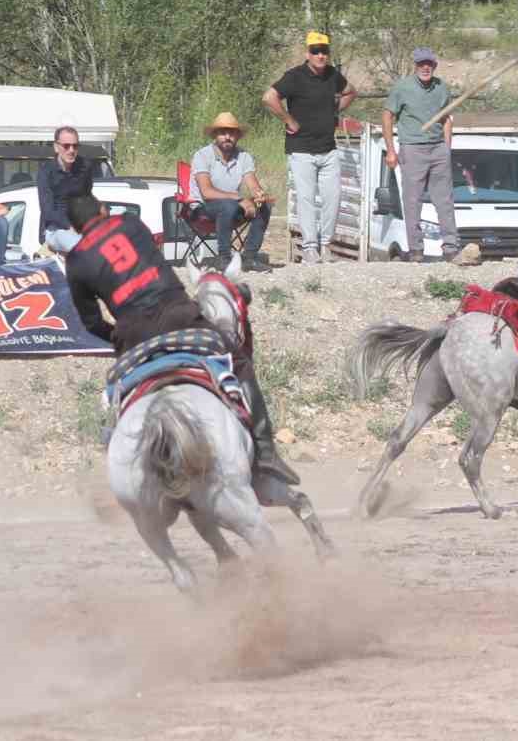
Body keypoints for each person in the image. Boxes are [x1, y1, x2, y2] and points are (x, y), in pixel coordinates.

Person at [65, 191, 298, 485]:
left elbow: (91, 322)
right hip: (178, 314)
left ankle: (113, 455)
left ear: (74, 228)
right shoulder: (131, 223)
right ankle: (266, 452)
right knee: (236, 359)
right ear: (102, 209)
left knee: (116, 395)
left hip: (133, 334)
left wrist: (117, 337)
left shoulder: (76, 261)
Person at [262, 30, 357, 265]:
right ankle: (310, 248)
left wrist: (335, 111)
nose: (320, 56)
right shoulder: (294, 77)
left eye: (324, 51)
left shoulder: (333, 75)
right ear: (308, 53)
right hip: (301, 148)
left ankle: (326, 245)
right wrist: (287, 120)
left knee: (332, 198)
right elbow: (269, 97)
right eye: (315, 51)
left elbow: (351, 91)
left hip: (328, 148)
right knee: (305, 199)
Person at [382, 46, 460, 262]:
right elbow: (387, 116)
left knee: (444, 200)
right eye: (421, 64)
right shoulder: (402, 88)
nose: (425, 67)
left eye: (429, 64)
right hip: (412, 148)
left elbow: (446, 118)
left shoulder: (442, 87)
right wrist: (391, 150)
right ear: (415, 65)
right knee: (412, 201)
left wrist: (447, 147)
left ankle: (451, 248)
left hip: (438, 149)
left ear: (434, 65)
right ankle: (416, 250)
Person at [189, 111, 272, 270]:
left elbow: (252, 183)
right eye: (222, 133)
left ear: (238, 136)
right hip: (203, 209)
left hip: (232, 207)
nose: (227, 137)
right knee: (228, 205)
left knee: (264, 205)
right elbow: (206, 192)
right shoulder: (202, 155)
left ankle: (249, 258)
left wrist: (258, 195)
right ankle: (224, 258)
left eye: (232, 133)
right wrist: (239, 199)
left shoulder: (244, 156)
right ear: (215, 135)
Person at [38, 125, 92, 255]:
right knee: (79, 246)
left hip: (80, 226)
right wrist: (70, 226)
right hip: (56, 230)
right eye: (66, 146)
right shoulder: (46, 171)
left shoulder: (85, 167)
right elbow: (48, 211)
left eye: (75, 146)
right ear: (56, 147)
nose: (71, 150)